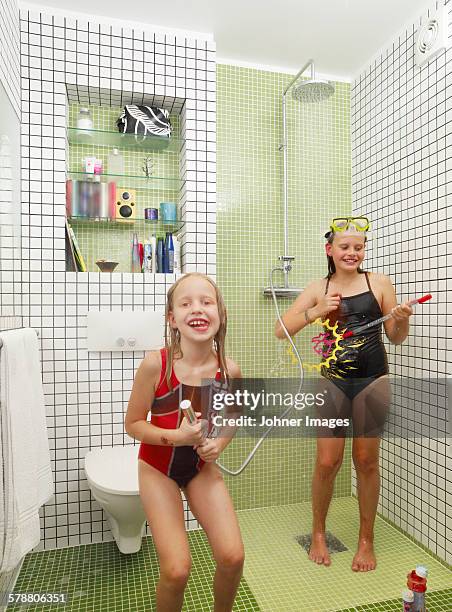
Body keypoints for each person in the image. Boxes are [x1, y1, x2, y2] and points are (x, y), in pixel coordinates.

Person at [275, 217, 413, 572]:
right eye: (345, 247)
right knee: (327, 462)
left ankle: (366, 540)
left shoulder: (379, 283)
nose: (352, 252)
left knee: (366, 461)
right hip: (332, 381)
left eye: (358, 247)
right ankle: (318, 532)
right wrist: (315, 311)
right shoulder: (318, 287)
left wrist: (402, 319)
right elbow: (280, 329)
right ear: (330, 250)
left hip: (373, 379)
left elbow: (396, 338)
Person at [125, 273, 244, 612]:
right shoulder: (155, 365)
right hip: (157, 469)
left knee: (233, 556)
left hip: (199, 468)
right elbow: (132, 425)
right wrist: (178, 437)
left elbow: (233, 416)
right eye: (186, 303)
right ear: (172, 318)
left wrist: (218, 445)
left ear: (220, 313)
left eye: (207, 302)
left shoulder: (229, 371)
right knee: (177, 571)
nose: (198, 309)